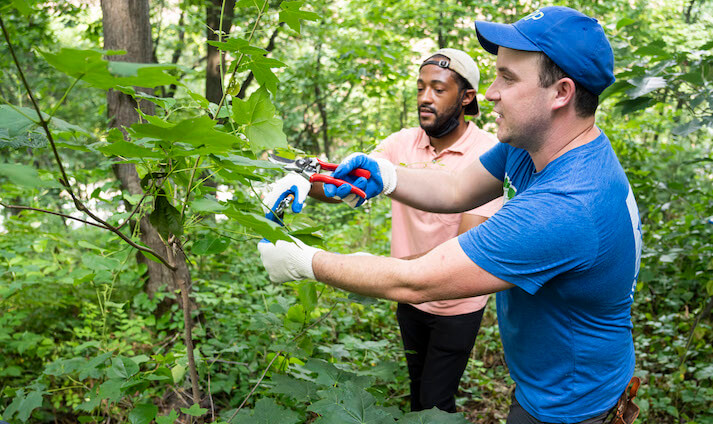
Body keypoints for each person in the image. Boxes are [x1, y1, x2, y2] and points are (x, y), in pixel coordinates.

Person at [259, 6, 642, 424]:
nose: (490, 92)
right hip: (550, 379)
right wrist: (387, 175)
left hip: (570, 406)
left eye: (508, 78)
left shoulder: (567, 204)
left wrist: (303, 260)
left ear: (561, 93)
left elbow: (419, 280)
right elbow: (457, 187)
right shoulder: (532, 146)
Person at [264, 48, 502, 412]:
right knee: (417, 388)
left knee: (435, 405)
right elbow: (348, 183)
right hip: (407, 297)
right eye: (420, 87)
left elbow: (464, 247)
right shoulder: (401, 143)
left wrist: (374, 270)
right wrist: (303, 179)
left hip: (456, 303)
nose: (425, 98)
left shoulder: (488, 154)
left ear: (467, 96)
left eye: (438, 89)